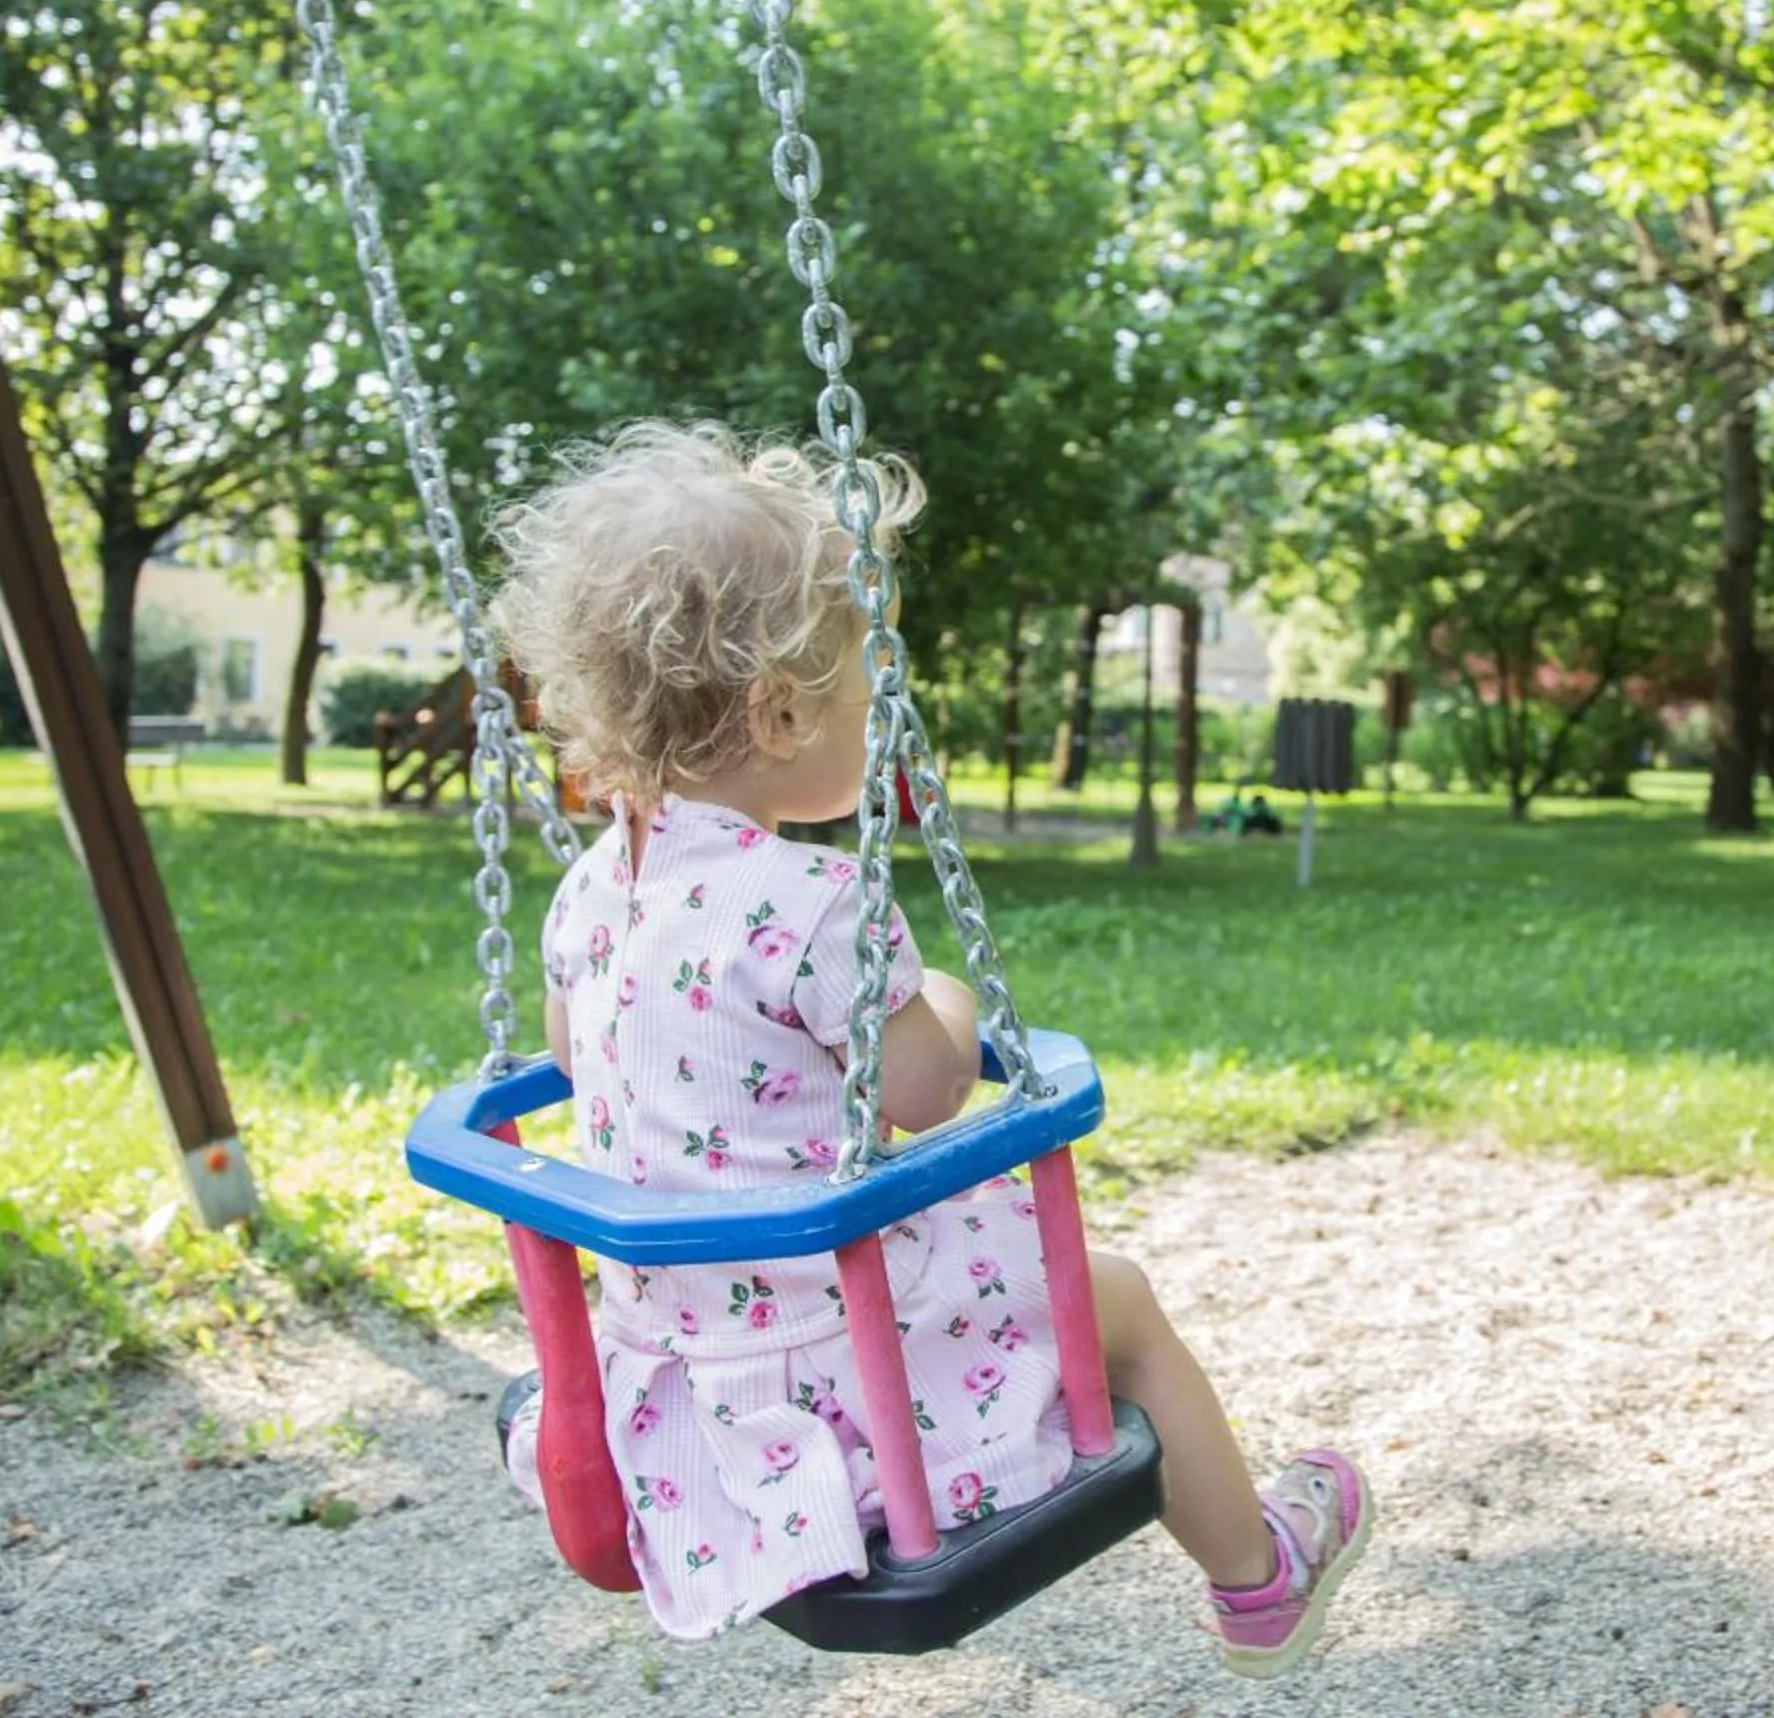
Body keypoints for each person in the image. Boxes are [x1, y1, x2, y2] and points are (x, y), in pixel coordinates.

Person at [486, 422, 1370, 1673]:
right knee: (1116, 1301)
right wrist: (944, 994)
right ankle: (1259, 1570)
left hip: (679, 1338)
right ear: (783, 711)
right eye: (864, 694)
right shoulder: (811, 902)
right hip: (837, 1346)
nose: (877, 723)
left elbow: (575, 1058)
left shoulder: (593, 887)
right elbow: (924, 1086)